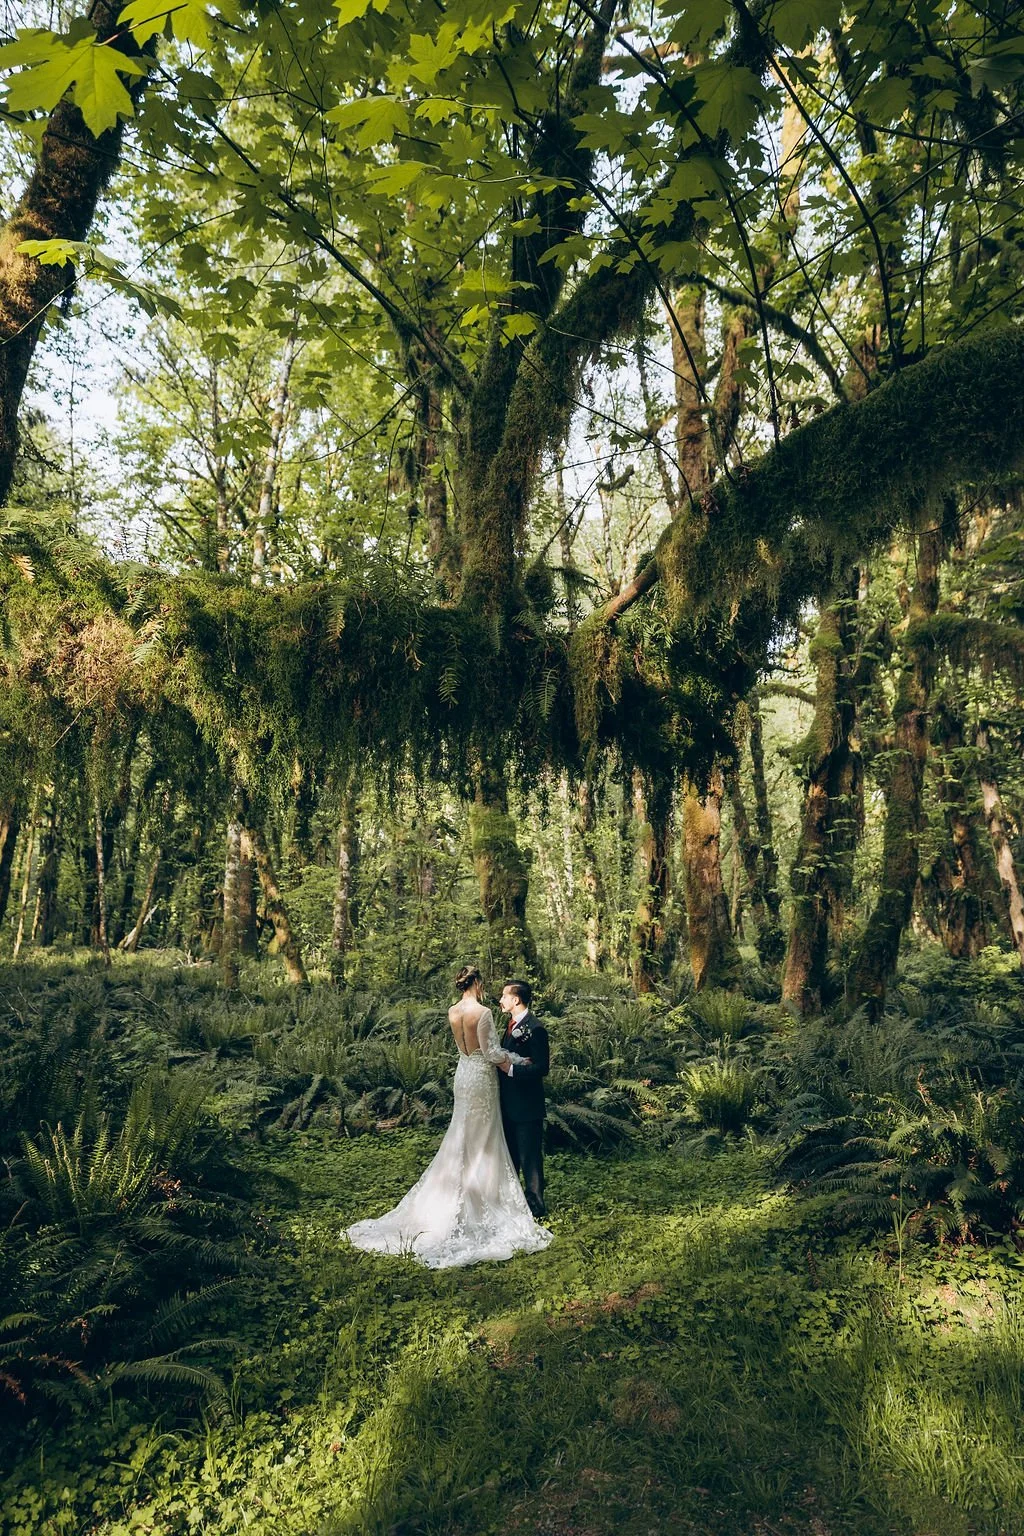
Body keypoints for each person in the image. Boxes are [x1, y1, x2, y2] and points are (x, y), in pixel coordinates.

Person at [345, 966, 553, 1269]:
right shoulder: (483, 1013)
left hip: (464, 1074)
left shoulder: (453, 1011)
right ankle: (481, 1200)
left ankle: (475, 1195)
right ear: (477, 983)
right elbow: (491, 1053)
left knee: (464, 1137)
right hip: (481, 1078)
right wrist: (515, 1059)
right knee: (482, 1139)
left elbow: (471, 1049)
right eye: (484, 984)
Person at [497, 979, 550, 1218]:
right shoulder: (510, 1025)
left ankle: (536, 1206)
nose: (501, 1000)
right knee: (511, 1156)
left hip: (527, 1106)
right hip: (508, 1104)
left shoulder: (536, 1029)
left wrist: (511, 1069)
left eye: (504, 996)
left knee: (530, 1158)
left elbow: (542, 1068)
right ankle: (514, 1203)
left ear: (516, 999)